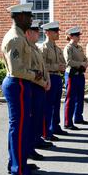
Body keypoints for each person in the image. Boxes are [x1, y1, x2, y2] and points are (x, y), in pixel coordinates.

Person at [1, 3, 43, 175]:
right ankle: (19, 171)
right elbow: (17, 69)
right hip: (18, 83)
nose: (31, 19)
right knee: (19, 128)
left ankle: (17, 163)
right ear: (19, 17)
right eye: (28, 16)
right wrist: (34, 75)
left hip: (20, 83)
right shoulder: (16, 38)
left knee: (19, 127)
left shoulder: (19, 36)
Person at [26, 20, 53, 163]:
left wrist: (47, 80)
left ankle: (36, 141)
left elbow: (44, 68)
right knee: (33, 118)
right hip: (35, 86)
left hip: (42, 85)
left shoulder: (35, 48)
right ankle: (30, 147)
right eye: (36, 31)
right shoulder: (28, 49)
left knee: (39, 117)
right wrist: (43, 83)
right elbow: (31, 71)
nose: (38, 33)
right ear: (29, 32)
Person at [40, 21, 67, 141]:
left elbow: (63, 62)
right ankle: (46, 131)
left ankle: (55, 126)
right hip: (49, 77)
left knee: (56, 105)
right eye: (55, 31)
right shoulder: (43, 48)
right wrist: (57, 67)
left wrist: (61, 67)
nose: (58, 33)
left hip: (57, 78)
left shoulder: (57, 48)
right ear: (48, 33)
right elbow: (42, 65)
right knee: (48, 106)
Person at [63, 26, 88, 130]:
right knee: (70, 98)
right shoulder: (68, 48)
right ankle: (67, 122)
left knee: (80, 97)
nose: (79, 37)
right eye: (76, 35)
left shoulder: (79, 47)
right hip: (72, 75)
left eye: (78, 35)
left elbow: (85, 59)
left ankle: (78, 117)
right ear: (71, 36)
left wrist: (85, 64)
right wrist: (81, 64)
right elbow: (68, 62)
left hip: (80, 74)